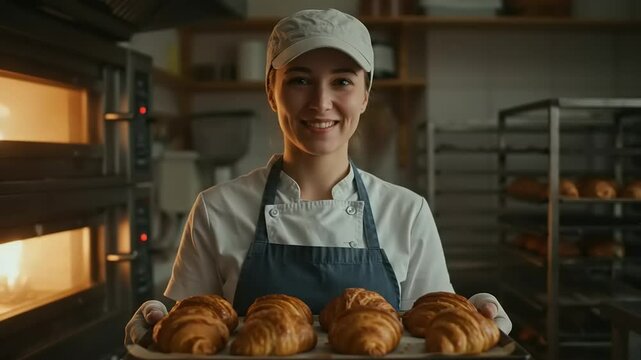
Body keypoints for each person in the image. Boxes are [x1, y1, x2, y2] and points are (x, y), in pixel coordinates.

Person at [125, 8, 511, 344]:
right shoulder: (217, 208)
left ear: (365, 95)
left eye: (342, 81)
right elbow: (191, 320)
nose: (320, 102)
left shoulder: (406, 212)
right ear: (271, 91)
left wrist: (478, 313)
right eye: (300, 80)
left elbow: (438, 323)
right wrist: (159, 318)